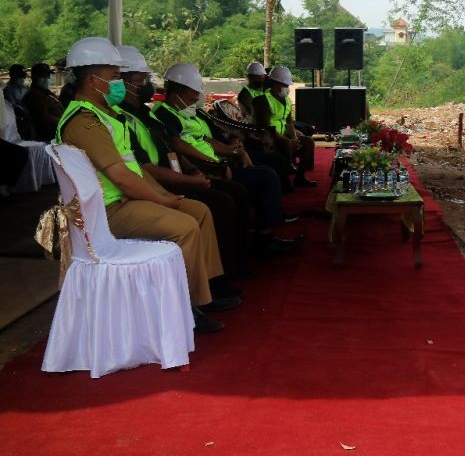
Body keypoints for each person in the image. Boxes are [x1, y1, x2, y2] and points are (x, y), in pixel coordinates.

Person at [55, 37, 238, 334]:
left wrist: (163, 194)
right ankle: (188, 308)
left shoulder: (106, 116)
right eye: (114, 77)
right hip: (107, 209)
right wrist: (161, 200)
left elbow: (133, 168)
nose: (119, 83)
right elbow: (121, 176)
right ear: (93, 80)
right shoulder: (84, 121)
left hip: (125, 199)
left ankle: (207, 291)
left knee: (199, 210)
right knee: (185, 225)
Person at [116, 45, 253, 287]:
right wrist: (190, 180)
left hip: (175, 176)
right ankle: (214, 282)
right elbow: (145, 167)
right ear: (124, 80)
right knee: (221, 203)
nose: (147, 84)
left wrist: (191, 170)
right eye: (141, 79)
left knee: (234, 193)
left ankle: (232, 266)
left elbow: (171, 148)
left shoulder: (144, 114)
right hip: (156, 185)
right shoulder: (121, 118)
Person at [151, 62, 299, 252]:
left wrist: (235, 151)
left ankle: (264, 224)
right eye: (194, 92)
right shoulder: (164, 114)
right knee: (265, 177)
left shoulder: (188, 113)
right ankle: (262, 239)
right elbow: (178, 146)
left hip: (219, 160)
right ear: (178, 91)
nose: (198, 97)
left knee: (268, 167)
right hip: (206, 168)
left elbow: (205, 138)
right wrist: (217, 165)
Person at [253, 65, 316, 188]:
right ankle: (285, 177)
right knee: (286, 144)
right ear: (275, 83)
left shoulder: (286, 100)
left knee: (308, 141)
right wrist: (287, 140)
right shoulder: (263, 100)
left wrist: (294, 137)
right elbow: (266, 127)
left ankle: (300, 176)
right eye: (284, 85)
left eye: (287, 85)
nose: (287, 88)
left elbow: (289, 122)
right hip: (268, 137)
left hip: (284, 135)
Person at [22, 63, 64, 142]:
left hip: (56, 134)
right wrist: (63, 122)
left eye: (47, 76)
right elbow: (44, 117)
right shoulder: (33, 95)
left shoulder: (45, 92)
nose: (46, 79)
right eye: (42, 76)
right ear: (34, 78)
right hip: (46, 137)